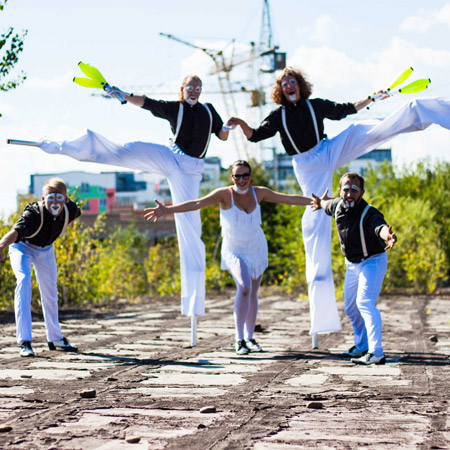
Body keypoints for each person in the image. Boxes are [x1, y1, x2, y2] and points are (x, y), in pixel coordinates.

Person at [228, 66, 450, 340]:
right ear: (280, 91)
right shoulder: (278, 117)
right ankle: (320, 299)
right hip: (307, 166)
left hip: (327, 148)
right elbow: (255, 135)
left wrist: (371, 97)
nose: (289, 85)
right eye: (284, 82)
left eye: (292, 81)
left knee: (358, 129)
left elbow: (345, 109)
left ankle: (421, 112)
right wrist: (239, 122)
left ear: (300, 85)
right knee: (316, 213)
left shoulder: (315, 105)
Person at [36, 75, 230, 319]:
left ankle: (194, 304)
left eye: (198, 88)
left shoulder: (209, 111)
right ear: (182, 90)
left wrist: (230, 126)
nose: (194, 91)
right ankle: (62, 146)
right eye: (190, 87)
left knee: (191, 227)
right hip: (171, 157)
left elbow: (222, 135)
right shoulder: (175, 108)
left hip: (191, 170)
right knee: (128, 149)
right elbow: (148, 103)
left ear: (201, 91)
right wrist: (123, 96)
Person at [144, 160, 313, 355]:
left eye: (245, 175)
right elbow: (197, 203)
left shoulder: (259, 192)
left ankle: (250, 338)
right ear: (231, 178)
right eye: (237, 176)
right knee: (244, 287)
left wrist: (316, 201)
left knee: (253, 293)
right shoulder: (224, 194)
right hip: (234, 249)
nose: (241, 180)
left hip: (256, 247)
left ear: (251, 176)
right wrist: (167, 210)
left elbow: (288, 198)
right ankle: (239, 339)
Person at [312, 172, 397, 365]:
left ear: (362, 192)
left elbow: (380, 227)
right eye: (346, 189)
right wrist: (320, 203)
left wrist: (388, 236)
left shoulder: (369, 213)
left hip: (372, 261)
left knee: (365, 302)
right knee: (351, 308)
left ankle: (376, 352)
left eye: (354, 190)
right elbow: (327, 205)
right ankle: (362, 346)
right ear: (340, 191)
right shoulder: (337, 205)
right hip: (352, 263)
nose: (350, 193)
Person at [0, 178, 80, 357]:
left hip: (45, 250)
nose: (55, 202)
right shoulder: (33, 213)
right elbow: (15, 233)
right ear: (43, 200)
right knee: (24, 281)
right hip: (22, 247)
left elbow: (76, 213)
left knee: (50, 290)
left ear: (66, 200)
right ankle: (25, 342)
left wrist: (69, 222)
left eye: (59, 198)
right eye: (50, 198)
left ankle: (55, 337)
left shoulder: (71, 210)